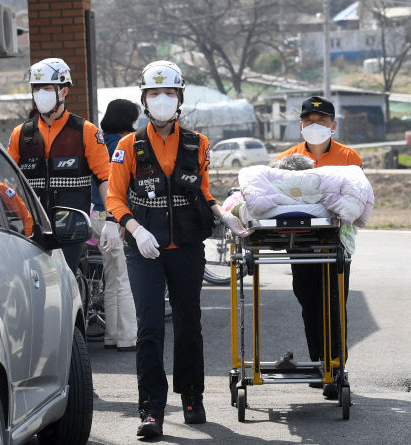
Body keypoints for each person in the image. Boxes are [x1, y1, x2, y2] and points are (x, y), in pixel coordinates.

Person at [105, 60, 247, 438]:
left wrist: (225, 216)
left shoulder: (197, 143)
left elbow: (200, 191)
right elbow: (115, 199)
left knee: (189, 324)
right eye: (155, 94)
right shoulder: (127, 146)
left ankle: (192, 397)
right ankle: (151, 408)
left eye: (169, 93)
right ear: (144, 100)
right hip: (144, 248)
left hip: (185, 245)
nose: (162, 100)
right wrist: (134, 230)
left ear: (180, 98)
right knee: (150, 327)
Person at [275, 96, 362, 399]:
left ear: (333, 125)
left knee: (334, 305)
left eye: (321, 121)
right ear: (301, 125)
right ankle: (319, 365)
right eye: (309, 121)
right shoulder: (287, 159)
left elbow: (356, 197)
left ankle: (336, 371)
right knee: (310, 304)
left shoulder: (349, 157)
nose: (315, 126)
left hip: (335, 241)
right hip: (300, 241)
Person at [7, 57, 113, 271]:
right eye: (36, 89)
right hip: (33, 226)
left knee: (67, 281)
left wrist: (112, 219)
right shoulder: (21, 133)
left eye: (46, 88)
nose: (40, 94)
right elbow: (9, 181)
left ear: (64, 91)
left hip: (72, 226)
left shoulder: (85, 130)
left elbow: (105, 178)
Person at [90, 99, 140, 352]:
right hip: (115, 216)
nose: (135, 125)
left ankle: (111, 335)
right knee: (125, 278)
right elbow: (122, 187)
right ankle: (128, 338)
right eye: (133, 120)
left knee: (111, 278)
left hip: (97, 216)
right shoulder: (123, 145)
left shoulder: (100, 142)